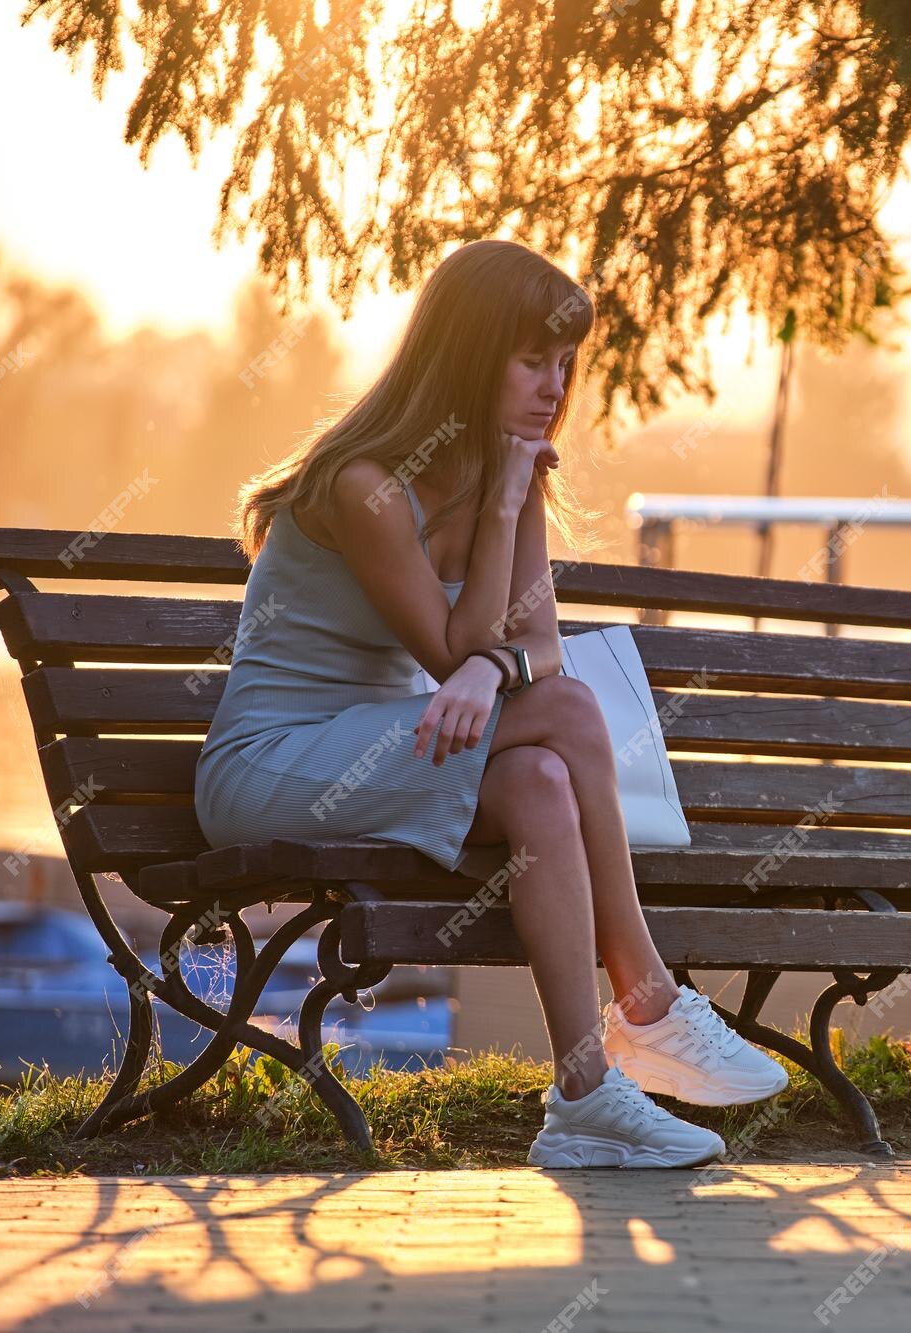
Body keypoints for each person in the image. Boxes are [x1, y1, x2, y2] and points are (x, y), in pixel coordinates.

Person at [194, 238, 787, 1169]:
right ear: (467, 356)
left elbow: (535, 646)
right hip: (279, 760)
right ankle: (650, 999)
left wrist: (488, 660)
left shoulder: (503, 468)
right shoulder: (367, 485)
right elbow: (458, 651)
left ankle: (585, 1094)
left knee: (545, 780)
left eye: (563, 364)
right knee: (576, 719)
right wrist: (496, 573)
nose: (554, 386)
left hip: (392, 745)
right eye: (529, 360)